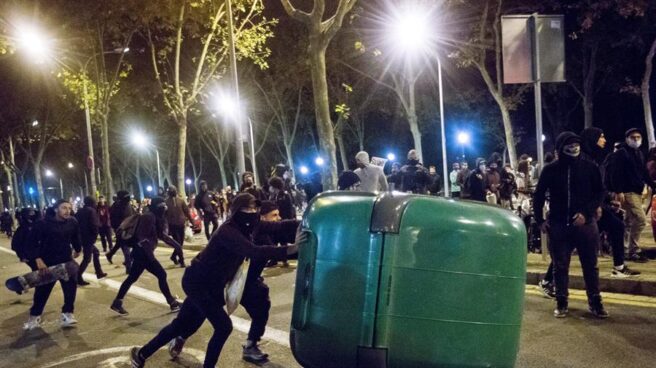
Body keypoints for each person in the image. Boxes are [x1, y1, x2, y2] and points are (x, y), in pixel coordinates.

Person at [130, 193, 301, 368]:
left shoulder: (251, 225)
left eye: (254, 208)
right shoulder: (228, 231)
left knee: (180, 325)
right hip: (198, 283)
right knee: (223, 327)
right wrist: (289, 250)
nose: (252, 212)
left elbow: (278, 227)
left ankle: (141, 353)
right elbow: (253, 251)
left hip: (214, 287)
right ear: (236, 211)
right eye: (247, 209)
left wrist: (302, 223)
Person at [534, 131, 608, 319]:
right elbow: (539, 195)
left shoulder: (589, 167)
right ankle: (561, 302)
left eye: (577, 143)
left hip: (586, 226)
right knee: (560, 266)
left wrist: (586, 213)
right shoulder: (550, 170)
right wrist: (540, 220)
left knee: (590, 265)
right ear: (560, 148)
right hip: (559, 225)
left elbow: (599, 193)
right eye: (569, 144)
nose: (574, 147)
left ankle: (595, 302)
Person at [111, 197, 183, 315]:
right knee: (161, 274)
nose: (163, 208)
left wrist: (176, 245)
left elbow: (162, 235)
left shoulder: (156, 217)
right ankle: (172, 303)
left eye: (164, 206)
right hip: (143, 253)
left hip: (142, 253)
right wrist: (150, 256)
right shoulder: (148, 217)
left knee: (132, 278)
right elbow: (142, 237)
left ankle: (117, 302)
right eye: (161, 206)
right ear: (155, 207)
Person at [23, 200, 82, 330]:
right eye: (64, 208)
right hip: (48, 264)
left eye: (69, 208)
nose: (67, 211)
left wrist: (78, 249)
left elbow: (75, 238)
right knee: (42, 292)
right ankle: (34, 316)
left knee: (70, 290)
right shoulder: (42, 223)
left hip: (66, 263)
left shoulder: (72, 222)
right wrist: (37, 259)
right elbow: (30, 243)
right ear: (56, 209)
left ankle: (67, 315)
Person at [606, 128, 655, 263]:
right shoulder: (622, 154)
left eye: (638, 137)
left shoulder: (638, 153)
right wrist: (618, 190)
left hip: (637, 191)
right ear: (627, 138)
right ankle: (634, 249)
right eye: (633, 137)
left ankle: (624, 250)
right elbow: (616, 173)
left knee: (628, 222)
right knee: (640, 219)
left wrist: (652, 185)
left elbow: (644, 172)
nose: (636, 140)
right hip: (627, 191)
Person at [75, 196, 107, 285]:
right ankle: (78, 276)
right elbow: (94, 225)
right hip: (88, 238)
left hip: (82, 237)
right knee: (87, 259)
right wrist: (94, 237)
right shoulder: (91, 211)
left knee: (96, 252)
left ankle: (99, 272)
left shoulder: (80, 211)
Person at [107, 190, 135, 273]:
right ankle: (129, 267)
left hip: (129, 229)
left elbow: (133, 215)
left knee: (121, 244)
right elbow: (113, 219)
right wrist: (117, 228)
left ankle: (110, 254)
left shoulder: (128, 205)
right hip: (121, 230)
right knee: (126, 248)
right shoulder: (116, 206)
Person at [165, 185, 193, 267]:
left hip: (181, 224)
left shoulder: (180, 200)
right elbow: (164, 215)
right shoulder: (166, 202)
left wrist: (192, 221)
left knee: (180, 243)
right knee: (177, 243)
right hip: (172, 225)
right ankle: (182, 261)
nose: (173, 192)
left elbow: (187, 211)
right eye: (171, 191)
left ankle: (173, 256)